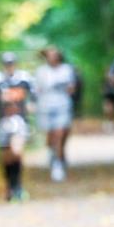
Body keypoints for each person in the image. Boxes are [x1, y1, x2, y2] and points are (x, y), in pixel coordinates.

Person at [0, 52, 35, 200]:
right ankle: (10, 186)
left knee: (17, 151)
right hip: (3, 121)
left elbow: (35, 94)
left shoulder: (25, 79)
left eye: (12, 63)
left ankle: (18, 186)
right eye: (7, 64)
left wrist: (31, 104)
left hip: (20, 121)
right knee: (6, 156)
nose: (9, 66)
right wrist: (1, 100)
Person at [34, 45, 77, 181]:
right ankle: (53, 154)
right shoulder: (41, 71)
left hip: (62, 106)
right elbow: (36, 90)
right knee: (50, 137)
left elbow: (72, 88)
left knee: (59, 134)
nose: (52, 57)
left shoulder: (66, 69)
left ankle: (57, 165)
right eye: (49, 55)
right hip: (45, 107)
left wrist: (68, 89)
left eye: (54, 54)